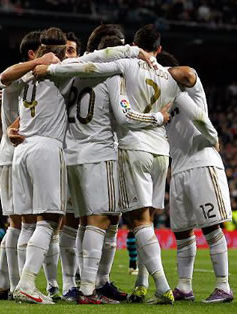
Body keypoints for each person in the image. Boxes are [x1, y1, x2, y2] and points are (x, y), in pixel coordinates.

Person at [35, 24, 215, 304]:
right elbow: (130, 114)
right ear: (158, 48)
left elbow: (71, 83)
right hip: (141, 152)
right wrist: (167, 121)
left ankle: (82, 284)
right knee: (123, 220)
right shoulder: (161, 75)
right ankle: (119, 286)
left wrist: (48, 69)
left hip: (85, 151)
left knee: (86, 222)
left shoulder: (91, 70)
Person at [58, 27, 170, 304]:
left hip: (70, 152)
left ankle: (86, 284)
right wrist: (157, 117)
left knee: (85, 222)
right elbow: (124, 116)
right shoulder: (112, 74)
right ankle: (87, 289)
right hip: (99, 153)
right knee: (100, 221)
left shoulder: (71, 72)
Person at [158, 52, 234, 303]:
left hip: (202, 163)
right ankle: (184, 287)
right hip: (178, 168)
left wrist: (213, 138)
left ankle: (223, 286)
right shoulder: (161, 100)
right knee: (181, 232)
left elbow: (198, 110)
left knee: (211, 227)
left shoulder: (191, 89)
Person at [0, 27, 65, 305]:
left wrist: (11, 128)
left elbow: (5, 79)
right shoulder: (62, 71)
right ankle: (27, 283)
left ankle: (21, 285)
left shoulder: (26, 76)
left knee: (26, 222)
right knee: (49, 219)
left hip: (21, 149)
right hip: (46, 147)